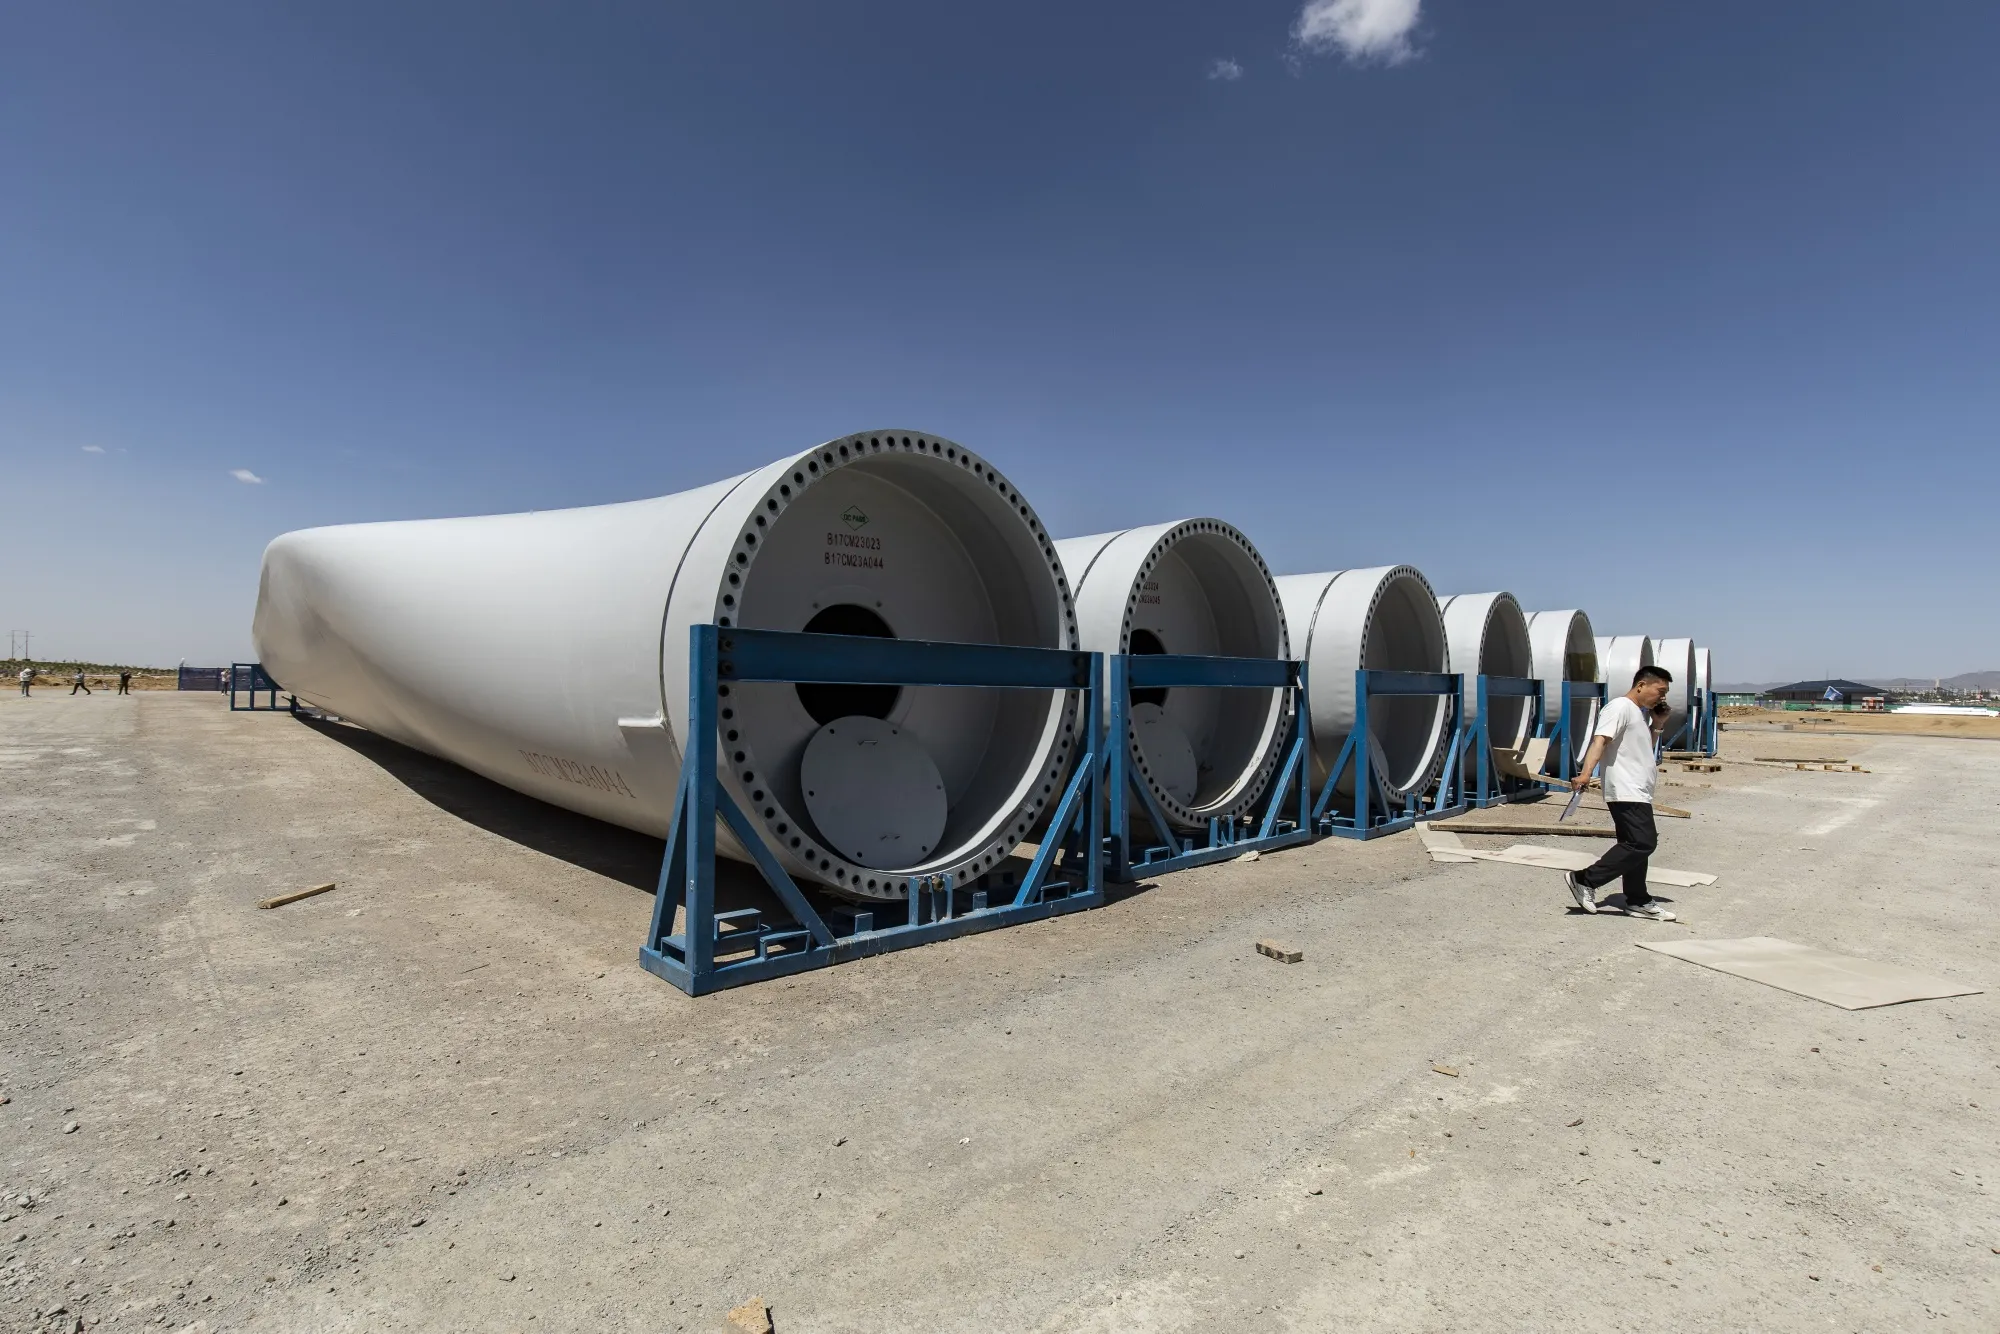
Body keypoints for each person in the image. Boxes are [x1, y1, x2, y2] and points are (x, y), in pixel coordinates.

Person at [1565, 664, 1677, 921]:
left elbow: (1643, 748)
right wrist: (1585, 774)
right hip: (1626, 788)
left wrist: (1658, 724)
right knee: (1643, 842)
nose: (1662, 697)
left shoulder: (1638, 714)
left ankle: (1637, 899)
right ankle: (1584, 879)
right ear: (1641, 685)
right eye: (1660, 690)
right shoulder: (1619, 707)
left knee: (1634, 844)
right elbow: (1600, 740)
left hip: (1638, 789)